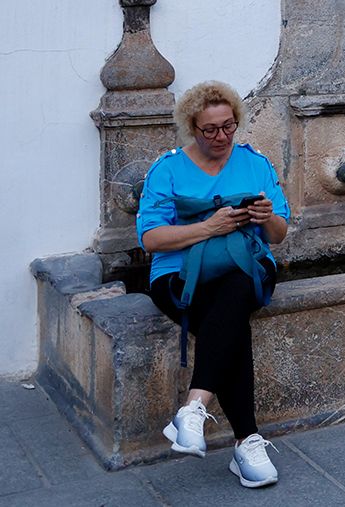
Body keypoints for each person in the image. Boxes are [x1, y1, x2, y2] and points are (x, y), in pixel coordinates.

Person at [136, 81, 289, 488]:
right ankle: (247, 443)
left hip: (247, 268)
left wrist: (265, 217)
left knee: (236, 287)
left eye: (229, 126)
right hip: (178, 276)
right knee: (231, 321)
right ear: (192, 127)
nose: (221, 137)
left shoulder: (255, 163)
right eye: (210, 130)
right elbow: (151, 239)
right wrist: (209, 227)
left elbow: (278, 235)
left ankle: (193, 409)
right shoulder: (167, 168)